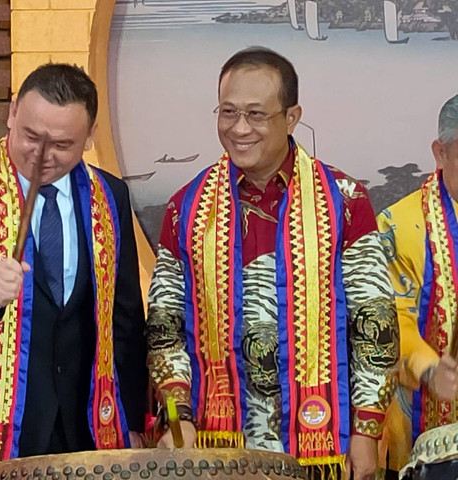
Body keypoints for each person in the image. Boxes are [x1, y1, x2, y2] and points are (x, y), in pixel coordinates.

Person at [146, 47, 399, 479]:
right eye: (227, 112)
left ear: (292, 117)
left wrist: (367, 433)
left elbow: (374, 323)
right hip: (216, 448)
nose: (239, 128)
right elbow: (165, 330)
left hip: (326, 448)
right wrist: (176, 416)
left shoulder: (345, 202)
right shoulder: (185, 208)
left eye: (256, 115)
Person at [0, 63, 147, 480]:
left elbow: (125, 316)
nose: (41, 155)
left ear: (90, 137)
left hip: (92, 423)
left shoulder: (110, 195)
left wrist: (134, 419)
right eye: (31, 137)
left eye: (61, 144)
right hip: (3, 428)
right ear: (12, 112)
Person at [377, 94, 458, 476]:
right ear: (440, 153)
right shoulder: (398, 224)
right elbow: (393, 322)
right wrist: (430, 370)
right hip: (425, 440)